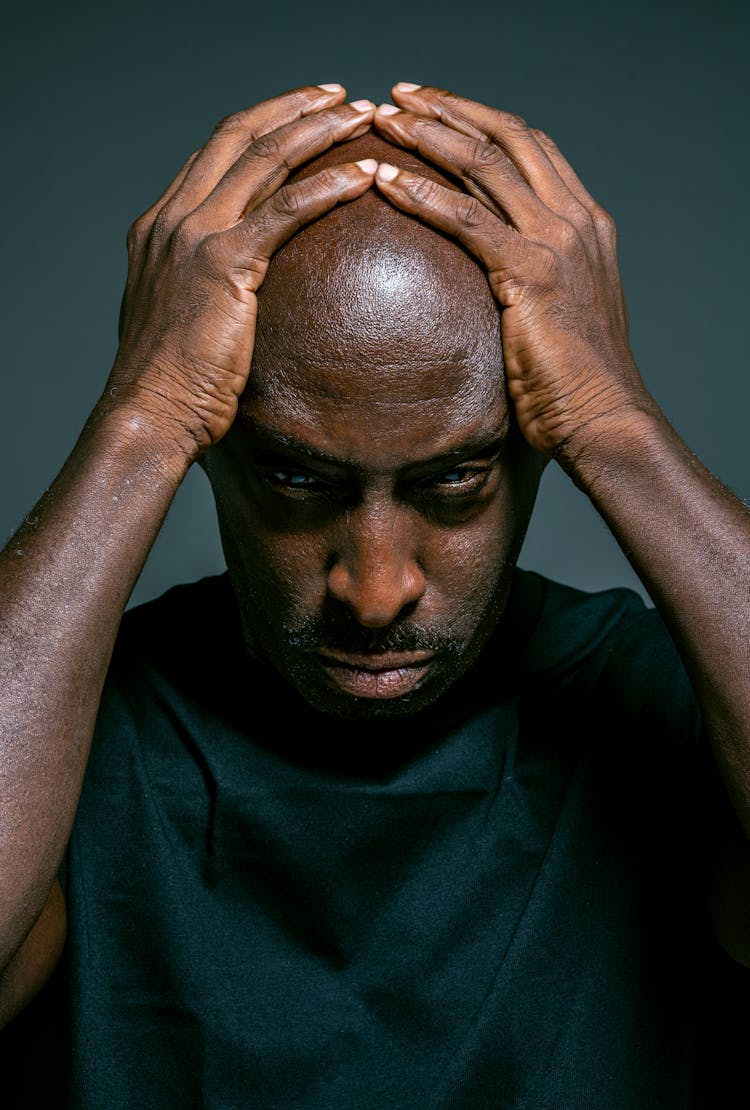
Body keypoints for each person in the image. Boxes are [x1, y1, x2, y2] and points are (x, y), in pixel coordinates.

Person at [0, 81, 747, 1106]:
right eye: (300, 481)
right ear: (214, 450)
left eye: (452, 484)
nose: (376, 587)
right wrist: (143, 416)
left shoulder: (662, 701)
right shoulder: (74, 737)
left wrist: (614, 420)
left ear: (537, 450)